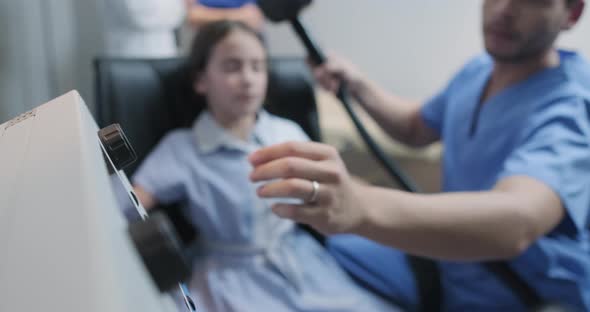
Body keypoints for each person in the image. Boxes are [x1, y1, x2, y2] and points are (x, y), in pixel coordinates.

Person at [249, 0, 590, 310]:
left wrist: (360, 205)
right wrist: (359, 85)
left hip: (514, 298)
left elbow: (517, 222)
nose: (504, 9)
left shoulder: (572, 107)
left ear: (571, 14)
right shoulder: (480, 70)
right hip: (449, 266)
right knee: (318, 253)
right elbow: (416, 128)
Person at [130, 20, 399, 312]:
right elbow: (129, 201)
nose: (248, 79)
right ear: (201, 80)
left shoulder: (287, 134)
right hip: (228, 279)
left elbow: (340, 187)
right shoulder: (182, 148)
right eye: (232, 67)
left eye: (257, 67)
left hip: (301, 264)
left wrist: (388, 204)